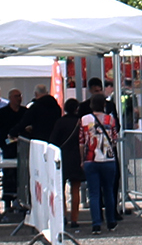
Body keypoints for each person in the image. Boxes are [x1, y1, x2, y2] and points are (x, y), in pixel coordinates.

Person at [79, 96, 121, 234]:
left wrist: (82, 159)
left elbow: (81, 141)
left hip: (90, 159)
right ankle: (111, 222)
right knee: (108, 191)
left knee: (94, 193)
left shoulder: (84, 120)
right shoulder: (110, 119)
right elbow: (114, 138)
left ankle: (96, 224)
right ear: (104, 105)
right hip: (108, 159)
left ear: (91, 105)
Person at [47, 98, 86, 225]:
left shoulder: (60, 122)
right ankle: (74, 218)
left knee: (60, 189)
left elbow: (53, 140)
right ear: (77, 109)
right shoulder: (80, 122)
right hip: (77, 158)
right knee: (75, 189)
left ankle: (62, 215)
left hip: (61, 157)